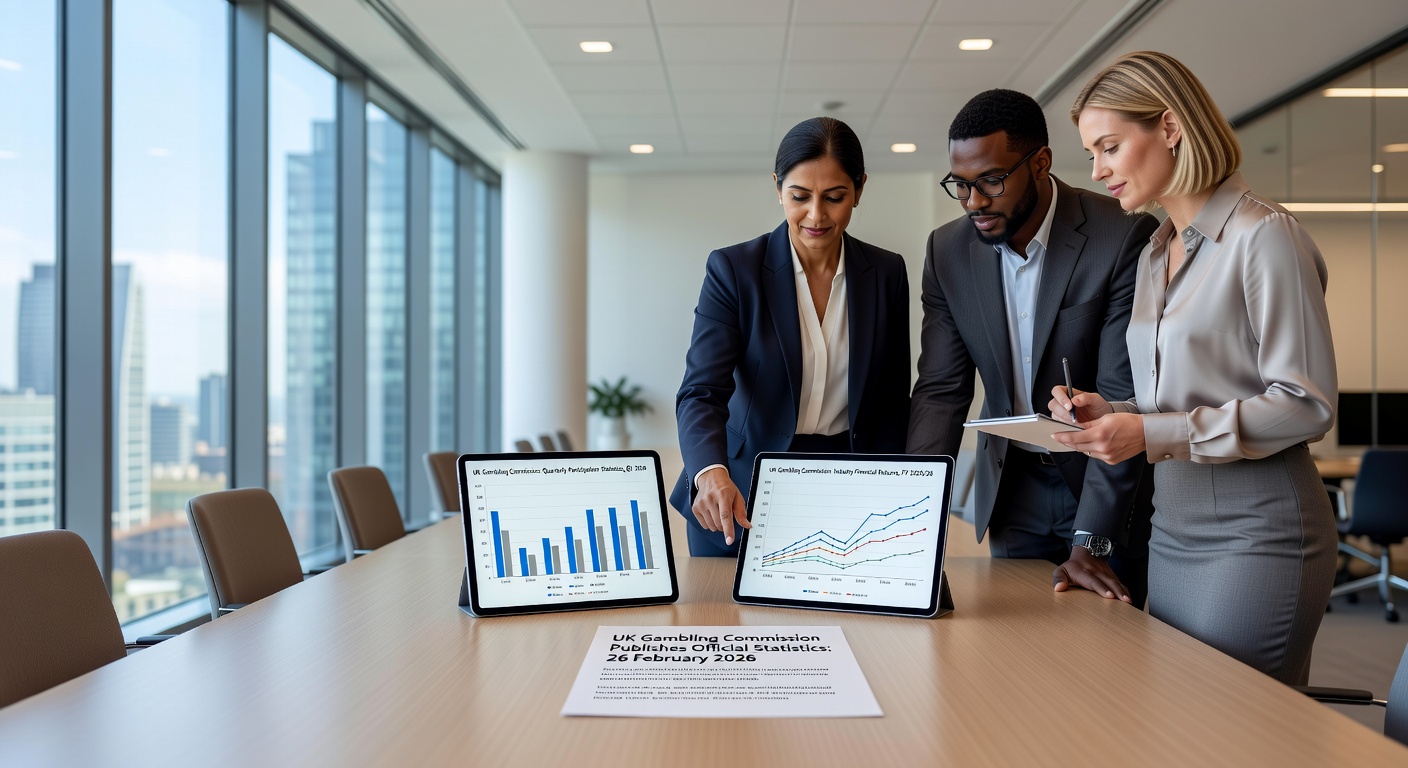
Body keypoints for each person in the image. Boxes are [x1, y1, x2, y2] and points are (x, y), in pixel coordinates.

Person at [1053, 51, 1338, 685]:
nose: (1096, 170)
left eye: (1109, 147)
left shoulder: (1265, 236)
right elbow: (1179, 404)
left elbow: (1305, 404)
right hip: (1172, 527)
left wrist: (1149, 434)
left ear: (1171, 128)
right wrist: (1116, 415)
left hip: (1258, 531)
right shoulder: (1156, 251)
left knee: (1228, 733)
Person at [907, 89, 1158, 605]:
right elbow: (940, 391)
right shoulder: (948, 251)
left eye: (991, 181)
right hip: (1011, 487)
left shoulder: (1122, 235)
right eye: (961, 185)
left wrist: (1091, 541)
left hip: (1101, 484)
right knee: (1019, 655)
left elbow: (1122, 392)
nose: (974, 201)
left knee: (1107, 655)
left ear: (1040, 162)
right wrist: (914, 521)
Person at [671, 117, 911, 556]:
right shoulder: (734, 270)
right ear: (778, 187)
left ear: (859, 189)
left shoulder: (887, 273)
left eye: (835, 197)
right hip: (738, 491)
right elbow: (701, 392)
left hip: (848, 492)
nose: (816, 215)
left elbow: (893, 399)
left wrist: (892, 489)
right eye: (799, 196)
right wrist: (709, 470)